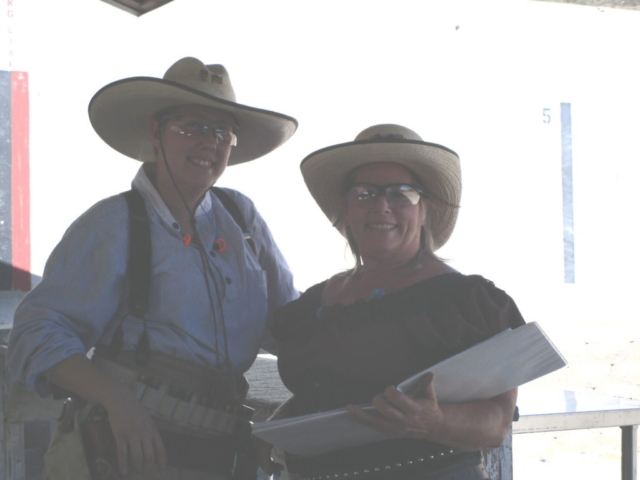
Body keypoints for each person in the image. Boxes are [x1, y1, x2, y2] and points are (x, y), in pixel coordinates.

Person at [7, 57, 299, 480]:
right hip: (123, 455)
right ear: (156, 133)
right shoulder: (112, 223)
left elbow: (290, 324)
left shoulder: (242, 217)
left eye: (222, 131)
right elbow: (35, 333)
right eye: (192, 126)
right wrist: (116, 400)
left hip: (220, 454)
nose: (209, 142)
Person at [259, 124, 526, 480]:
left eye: (401, 194)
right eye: (365, 193)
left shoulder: (467, 303)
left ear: (426, 208)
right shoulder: (313, 304)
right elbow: (326, 387)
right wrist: (278, 427)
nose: (381, 206)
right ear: (346, 208)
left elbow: (497, 424)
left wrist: (435, 422)